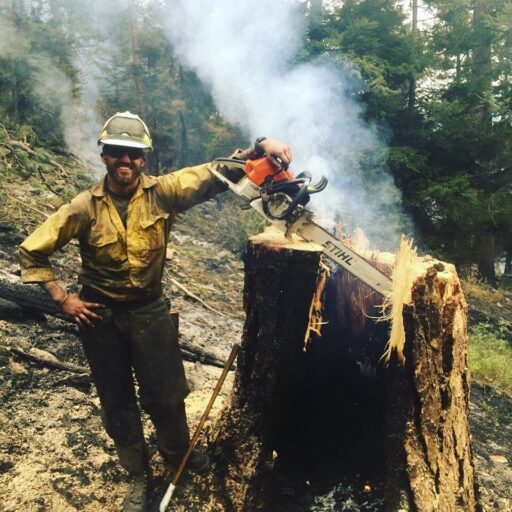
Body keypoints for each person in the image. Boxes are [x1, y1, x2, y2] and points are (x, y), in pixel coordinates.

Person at [18, 111, 292, 512]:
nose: (124, 162)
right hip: (100, 316)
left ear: (144, 159)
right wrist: (63, 298)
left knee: (166, 394)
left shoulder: (163, 192)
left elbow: (212, 174)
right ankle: (135, 467)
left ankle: (178, 455)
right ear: (104, 156)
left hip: (150, 311)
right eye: (116, 153)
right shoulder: (83, 208)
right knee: (116, 398)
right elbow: (32, 250)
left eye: (133, 155)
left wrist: (259, 146)